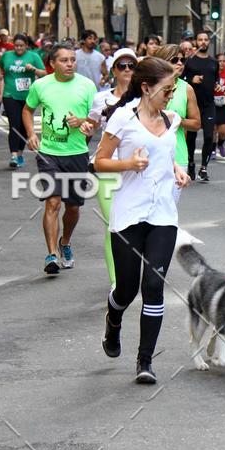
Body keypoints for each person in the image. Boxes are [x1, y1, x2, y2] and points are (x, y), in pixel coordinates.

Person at [94, 57, 189, 384]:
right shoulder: (123, 118)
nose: (170, 95)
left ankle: (145, 361)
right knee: (126, 289)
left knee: (153, 286)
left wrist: (176, 168)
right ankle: (114, 319)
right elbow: (100, 162)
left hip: (163, 214)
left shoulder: (171, 119)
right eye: (166, 89)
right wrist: (128, 165)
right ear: (146, 88)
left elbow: (166, 153)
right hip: (129, 213)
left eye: (174, 89)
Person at [23, 43, 97, 275]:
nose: (70, 64)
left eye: (73, 60)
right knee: (53, 201)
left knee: (73, 207)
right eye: (64, 60)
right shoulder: (41, 85)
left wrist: (83, 122)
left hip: (76, 153)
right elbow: (27, 110)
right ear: (52, 63)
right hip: (48, 152)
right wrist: (31, 134)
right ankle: (51, 254)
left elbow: (97, 119)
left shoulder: (87, 86)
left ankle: (65, 242)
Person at [83, 47, 138, 286]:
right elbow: (90, 125)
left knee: (134, 226)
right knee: (112, 224)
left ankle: (130, 272)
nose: (127, 70)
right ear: (113, 70)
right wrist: (84, 127)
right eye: (121, 65)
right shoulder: (100, 98)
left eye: (131, 65)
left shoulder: (144, 97)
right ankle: (117, 282)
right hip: (106, 167)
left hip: (136, 168)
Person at [0, 33, 46, 168]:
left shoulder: (33, 56)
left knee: (25, 126)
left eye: (21, 46)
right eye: (16, 46)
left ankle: (19, 154)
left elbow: (44, 73)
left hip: (28, 96)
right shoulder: (7, 55)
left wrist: (34, 69)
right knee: (14, 125)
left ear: (26, 46)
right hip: (10, 94)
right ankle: (13, 155)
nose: (18, 48)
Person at [155, 44, 200, 188]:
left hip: (177, 153)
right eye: (174, 60)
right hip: (151, 154)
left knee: (170, 207)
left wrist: (177, 119)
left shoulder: (186, 88)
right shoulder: (149, 86)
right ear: (162, 62)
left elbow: (196, 124)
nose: (180, 63)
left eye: (182, 60)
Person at [181, 29, 219, 182]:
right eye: (200, 39)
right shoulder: (190, 61)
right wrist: (192, 80)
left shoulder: (214, 62)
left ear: (209, 42)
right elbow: (181, 79)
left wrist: (216, 86)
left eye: (206, 39)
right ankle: (191, 163)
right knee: (191, 137)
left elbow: (216, 79)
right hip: (193, 105)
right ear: (196, 42)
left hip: (209, 104)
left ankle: (204, 167)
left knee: (209, 136)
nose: (203, 42)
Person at [213, 53, 225, 157]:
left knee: (223, 131)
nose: (222, 63)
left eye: (224, 61)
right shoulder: (211, 73)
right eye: (219, 61)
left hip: (224, 104)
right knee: (213, 129)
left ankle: (220, 144)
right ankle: (212, 149)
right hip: (212, 104)